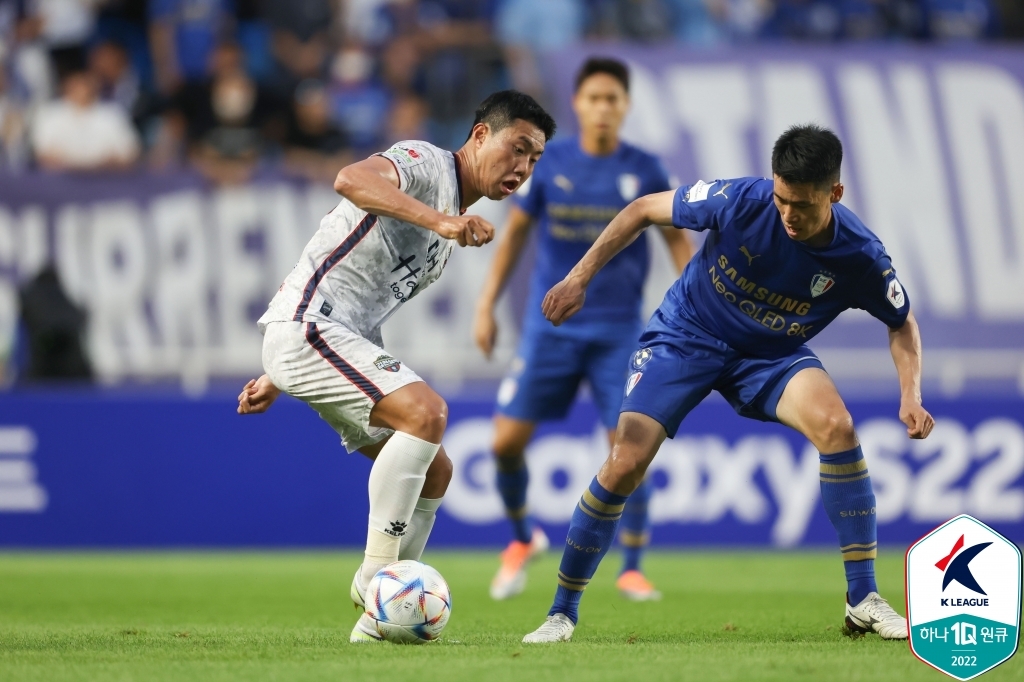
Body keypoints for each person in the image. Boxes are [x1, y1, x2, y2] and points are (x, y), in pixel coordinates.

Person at [522, 124, 934, 643]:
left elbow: (902, 323)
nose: (788, 215)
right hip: (686, 334)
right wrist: (579, 277)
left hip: (769, 353)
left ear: (835, 193)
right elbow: (643, 209)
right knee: (625, 460)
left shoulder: (860, 256)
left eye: (803, 205)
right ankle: (562, 613)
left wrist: (910, 394)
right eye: (782, 199)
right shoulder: (740, 200)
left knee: (838, 427)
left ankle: (863, 599)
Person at [236, 90, 556, 643]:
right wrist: (440, 221)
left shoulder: (449, 222)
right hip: (308, 327)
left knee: (437, 470)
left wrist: (277, 377)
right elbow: (349, 179)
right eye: (517, 148)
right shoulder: (425, 162)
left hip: (319, 339)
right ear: (481, 135)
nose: (523, 167)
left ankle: (375, 627)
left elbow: (359, 298)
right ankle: (376, 579)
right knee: (427, 414)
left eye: (535, 159)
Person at [474, 58, 692, 602]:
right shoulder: (548, 163)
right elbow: (516, 236)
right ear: (577, 103)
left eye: (612, 99)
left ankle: (632, 566)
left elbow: (675, 240)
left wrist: (695, 303)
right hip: (549, 328)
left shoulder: (644, 169)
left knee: (627, 447)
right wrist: (486, 306)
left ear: (625, 106)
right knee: (504, 443)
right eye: (593, 98)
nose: (602, 108)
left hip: (619, 331)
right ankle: (523, 539)